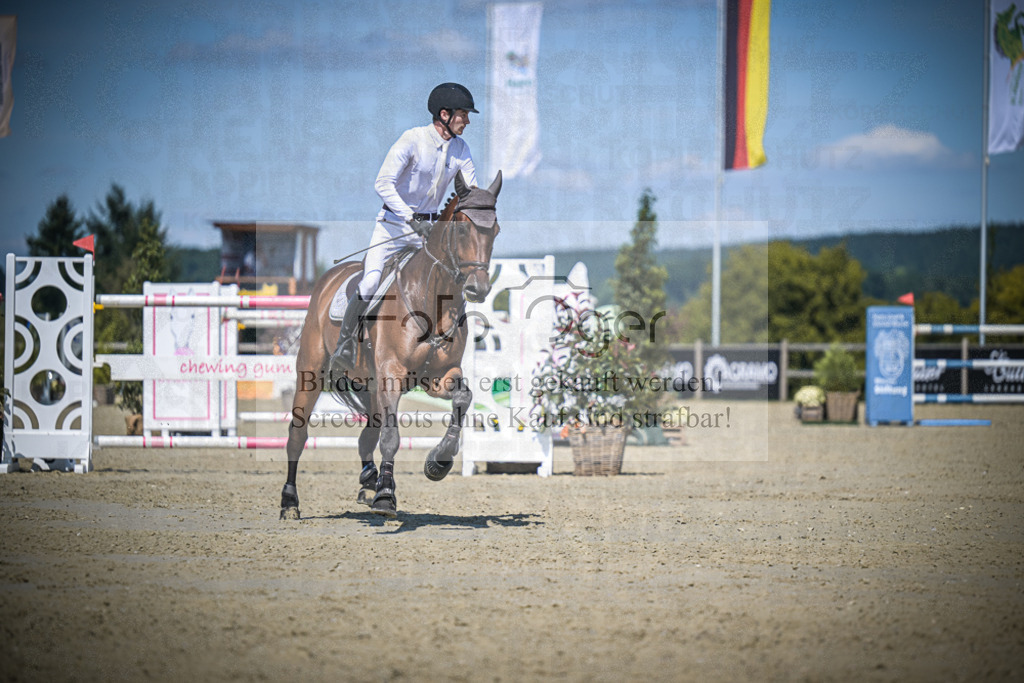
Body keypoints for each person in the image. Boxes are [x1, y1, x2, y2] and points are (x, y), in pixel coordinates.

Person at [330, 82, 480, 372]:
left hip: (429, 235)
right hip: (392, 228)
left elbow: (470, 191)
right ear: (445, 114)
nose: (468, 121)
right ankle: (345, 345)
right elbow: (382, 183)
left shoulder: (461, 150)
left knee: (449, 284)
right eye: (464, 114)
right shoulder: (412, 140)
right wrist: (411, 218)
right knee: (371, 282)